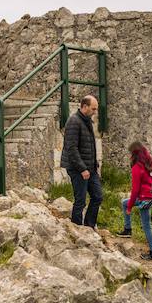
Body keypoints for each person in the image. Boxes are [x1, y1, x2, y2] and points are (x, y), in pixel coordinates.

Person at [60, 95, 102, 228]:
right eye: (93, 109)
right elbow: (71, 149)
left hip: (90, 168)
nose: (95, 112)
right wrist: (82, 168)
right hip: (78, 169)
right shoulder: (74, 121)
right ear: (85, 106)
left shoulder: (87, 120)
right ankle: (76, 228)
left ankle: (89, 226)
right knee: (80, 201)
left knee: (97, 196)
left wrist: (94, 165)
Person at [116, 141, 152, 261]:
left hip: (144, 199)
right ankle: (128, 229)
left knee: (146, 225)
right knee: (124, 202)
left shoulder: (137, 167)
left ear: (134, 154)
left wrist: (130, 207)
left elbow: (135, 190)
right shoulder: (150, 165)